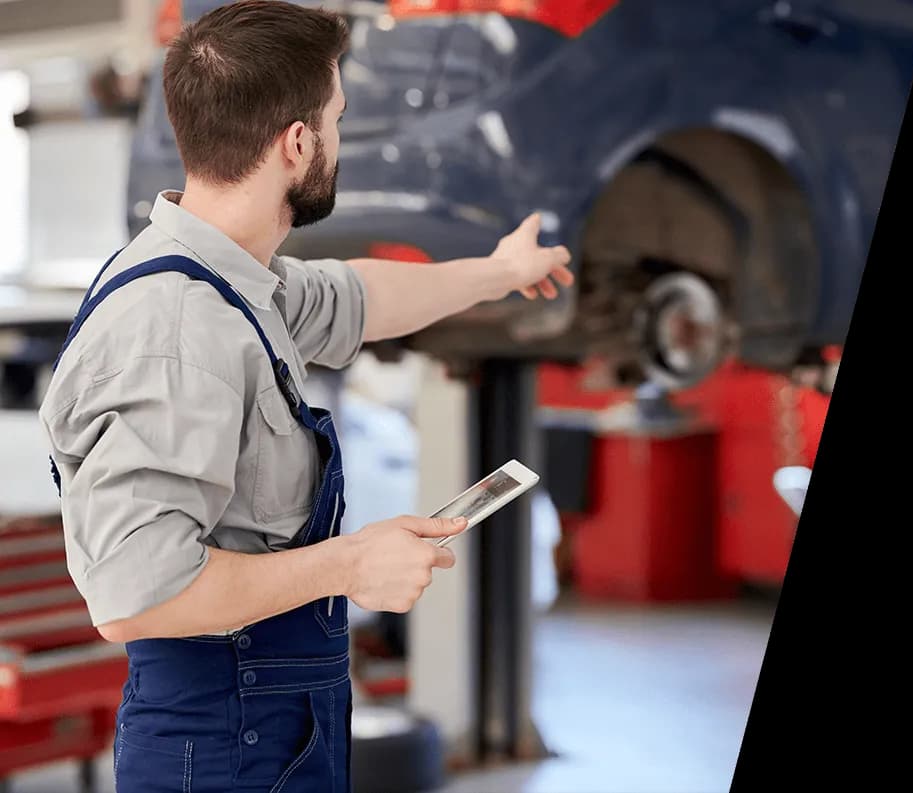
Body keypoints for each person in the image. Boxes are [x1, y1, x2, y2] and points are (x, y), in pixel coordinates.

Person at [37, 2, 573, 792]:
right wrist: (351, 564)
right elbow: (135, 596)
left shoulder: (227, 275)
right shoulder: (181, 328)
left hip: (266, 726)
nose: (340, 140)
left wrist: (497, 272)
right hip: (222, 745)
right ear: (297, 144)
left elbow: (359, 299)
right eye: (337, 118)